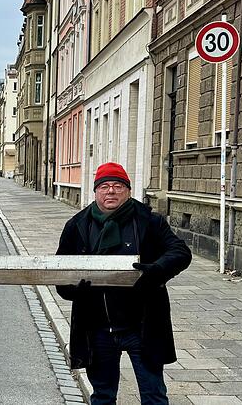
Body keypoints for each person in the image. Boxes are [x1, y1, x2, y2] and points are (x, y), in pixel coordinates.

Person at [56, 162, 191, 405]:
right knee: (103, 396)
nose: (111, 191)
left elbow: (180, 252)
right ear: (96, 191)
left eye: (118, 186)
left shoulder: (149, 221)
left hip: (142, 325)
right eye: (104, 186)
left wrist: (157, 270)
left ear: (128, 190)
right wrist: (74, 289)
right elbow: (60, 271)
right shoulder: (77, 225)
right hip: (98, 327)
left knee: (154, 395)